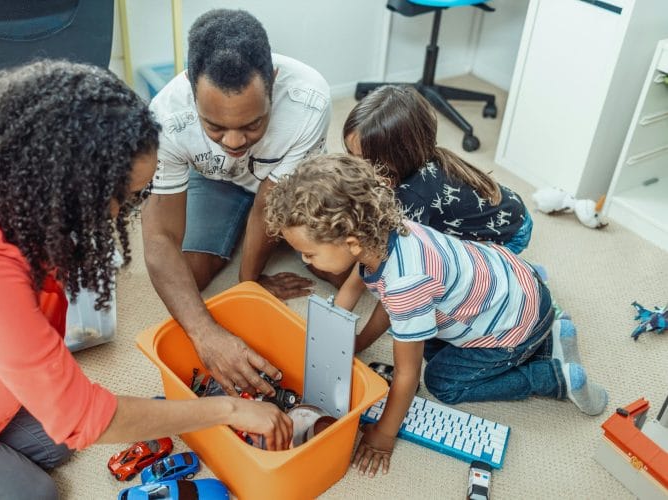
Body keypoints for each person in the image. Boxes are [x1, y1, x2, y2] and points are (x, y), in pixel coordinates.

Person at [0, 60, 292, 500]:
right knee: (36, 489)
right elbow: (84, 420)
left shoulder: (0, 161)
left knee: (53, 443)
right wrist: (227, 410)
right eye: (123, 196)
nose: (121, 214)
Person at [264, 153, 608, 478]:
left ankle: (551, 374)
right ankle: (552, 334)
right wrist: (346, 341)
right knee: (420, 340)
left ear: (352, 243)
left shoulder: (406, 284)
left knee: (442, 381)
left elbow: (407, 374)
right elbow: (357, 289)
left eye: (309, 255)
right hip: (518, 285)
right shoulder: (386, 232)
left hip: (514, 325)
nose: (306, 263)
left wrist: (383, 435)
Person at [142, 9, 331, 396]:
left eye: (252, 125)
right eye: (214, 126)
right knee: (186, 281)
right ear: (190, 89)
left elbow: (268, 204)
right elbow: (159, 237)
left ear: (273, 84)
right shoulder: (164, 118)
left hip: (287, 188)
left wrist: (250, 284)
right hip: (215, 182)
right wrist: (205, 334)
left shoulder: (308, 99)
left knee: (343, 268)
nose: (233, 142)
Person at [331, 85, 532, 310]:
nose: (355, 167)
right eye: (351, 155)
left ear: (400, 155)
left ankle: (519, 278)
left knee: (451, 286)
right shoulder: (415, 162)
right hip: (511, 211)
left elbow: (400, 266)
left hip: (510, 233)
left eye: (366, 160)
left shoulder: (413, 197)